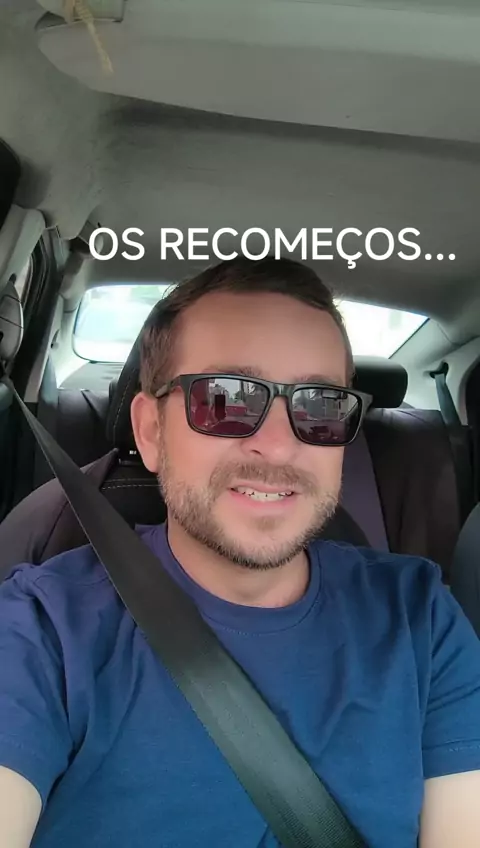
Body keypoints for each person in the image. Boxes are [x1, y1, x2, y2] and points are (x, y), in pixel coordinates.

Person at [0, 256, 480, 848]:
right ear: (151, 431)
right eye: (224, 399)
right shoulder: (43, 627)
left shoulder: (418, 616)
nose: (278, 446)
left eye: (319, 405)